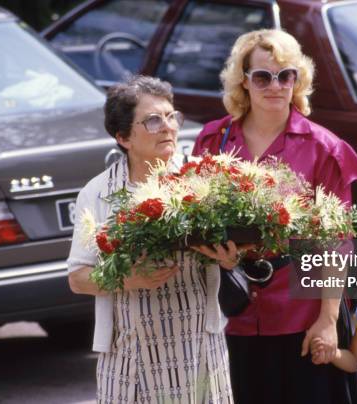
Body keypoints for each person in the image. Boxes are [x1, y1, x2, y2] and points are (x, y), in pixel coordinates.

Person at [192, 29, 357, 404]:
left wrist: (326, 320)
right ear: (244, 81)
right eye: (263, 77)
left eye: (285, 75)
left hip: (303, 313)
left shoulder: (326, 149)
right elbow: (197, 220)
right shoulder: (212, 141)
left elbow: (337, 242)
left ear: (297, 80)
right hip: (232, 311)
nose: (275, 86)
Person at [66, 75, 236, 404]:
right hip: (129, 354)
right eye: (153, 120)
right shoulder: (99, 193)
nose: (168, 127)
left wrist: (230, 259)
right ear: (123, 137)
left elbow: (229, 256)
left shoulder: (200, 182)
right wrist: (131, 279)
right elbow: (77, 279)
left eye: (172, 116)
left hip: (199, 346)